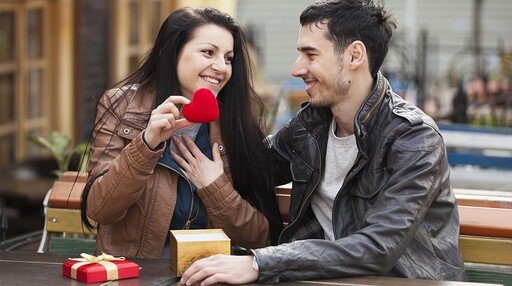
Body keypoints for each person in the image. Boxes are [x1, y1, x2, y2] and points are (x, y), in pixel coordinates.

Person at [179, 0, 467, 284]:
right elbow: (254, 166)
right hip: (324, 279)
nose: (296, 68)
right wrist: (200, 101)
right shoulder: (311, 125)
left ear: (354, 56)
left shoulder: (414, 137)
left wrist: (261, 262)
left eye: (310, 55)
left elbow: (378, 247)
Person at [80, 6, 283, 258]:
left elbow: (260, 237)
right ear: (172, 52)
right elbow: (100, 210)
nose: (222, 67)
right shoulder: (120, 105)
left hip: (207, 274)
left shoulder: (238, 119)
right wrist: (146, 144)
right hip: (135, 273)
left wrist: (214, 186)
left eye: (228, 58)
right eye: (208, 52)